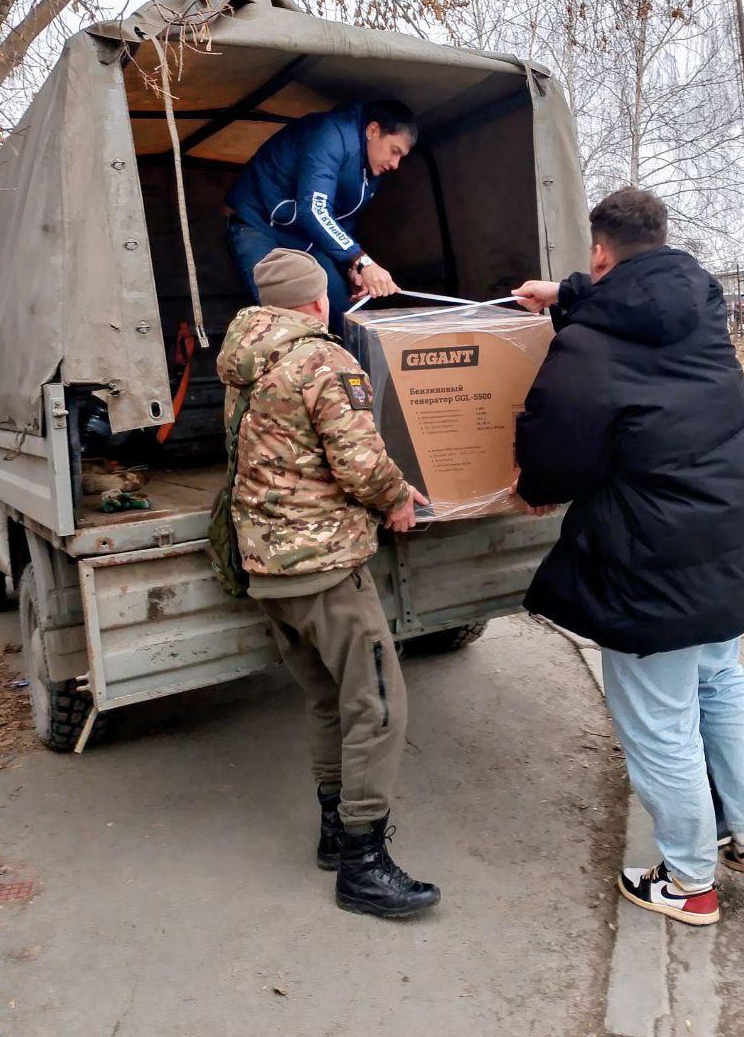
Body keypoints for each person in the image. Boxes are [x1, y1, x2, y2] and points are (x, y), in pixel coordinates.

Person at [512, 187, 744, 927]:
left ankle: (690, 880)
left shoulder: (588, 345)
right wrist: (566, 292)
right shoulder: (702, 305)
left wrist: (535, 489)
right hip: (734, 530)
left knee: (659, 719)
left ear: (601, 252)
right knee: (720, 678)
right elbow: (634, 302)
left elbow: (557, 447)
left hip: (651, 553)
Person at [216, 246, 440, 919]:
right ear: (318, 301)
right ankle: (363, 866)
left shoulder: (243, 362)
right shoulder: (322, 360)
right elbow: (360, 462)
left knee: (326, 699)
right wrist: (397, 498)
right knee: (377, 704)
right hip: (323, 569)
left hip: (266, 568)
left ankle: (335, 835)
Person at [224, 99, 419, 332]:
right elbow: (314, 209)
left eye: (401, 157)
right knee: (289, 317)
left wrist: (351, 268)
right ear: (373, 131)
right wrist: (361, 261)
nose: (396, 164)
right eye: (394, 151)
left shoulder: (371, 168)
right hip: (258, 223)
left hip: (304, 236)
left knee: (345, 312)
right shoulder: (332, 133)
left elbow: (342, 220)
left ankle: (342, 357)